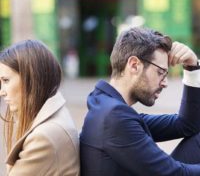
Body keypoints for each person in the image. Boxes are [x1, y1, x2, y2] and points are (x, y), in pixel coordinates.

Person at [80, 27, 200, 176]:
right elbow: (174, 174)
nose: (165, 83)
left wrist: (192, 67)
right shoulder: (114, 117)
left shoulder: (108, 107)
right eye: (160, 72)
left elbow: (187, 125)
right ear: (134, 65)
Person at [0, 39, 80, 176]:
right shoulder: (55, 113)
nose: (1, 91)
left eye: (6, 81)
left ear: (31, 79)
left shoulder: (43, 137)